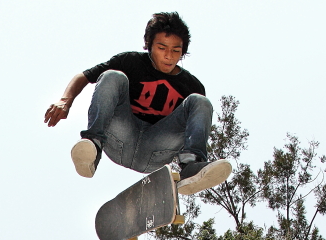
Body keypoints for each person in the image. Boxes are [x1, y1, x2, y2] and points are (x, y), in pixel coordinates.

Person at [44, 12, 231, 196]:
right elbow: (83, 76)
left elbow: (194, 128)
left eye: (176, 50)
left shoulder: (191, 86)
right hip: (121, 138)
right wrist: (65, 102)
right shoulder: (130, 61)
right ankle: (93, 145)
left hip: (157, 149)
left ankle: (191, 168)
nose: (168, 56)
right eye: (162, 48)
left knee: (200, 101)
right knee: (112, 76)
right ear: (149, 46)